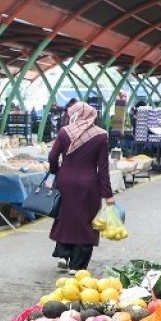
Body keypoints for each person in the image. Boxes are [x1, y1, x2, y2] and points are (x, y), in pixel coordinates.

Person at [46, 102, 114, 272]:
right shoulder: (101, 135)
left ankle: (63, 254)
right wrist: (108, 194)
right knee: (85, 221)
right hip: (88, 184)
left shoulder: (65, 132)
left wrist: (56, 171)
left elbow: (52, 156)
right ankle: (77, 265)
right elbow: (103, 168)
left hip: (65, 181)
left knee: (65, 217)